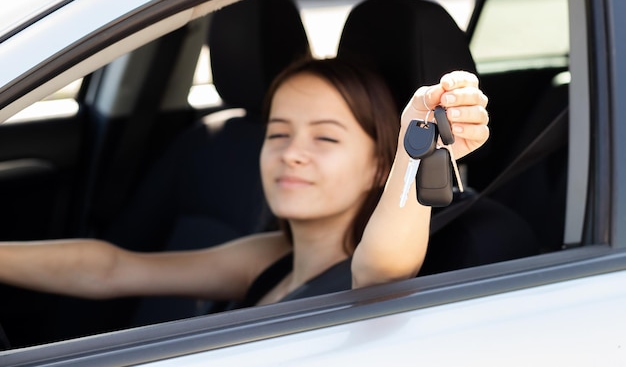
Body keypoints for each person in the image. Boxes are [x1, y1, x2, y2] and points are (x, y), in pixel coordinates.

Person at [0, 57, 489, 308]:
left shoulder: (365, 274)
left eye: (326, 138)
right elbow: (111, 270)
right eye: (278, 133)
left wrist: (415, 151)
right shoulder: (270, 257)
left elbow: (383, 267)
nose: (291, 152)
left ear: (378, 168)